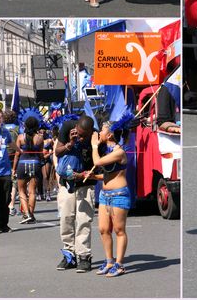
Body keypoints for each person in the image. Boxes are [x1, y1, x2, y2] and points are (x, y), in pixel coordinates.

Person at [54, 115, 97, 272]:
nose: (80, 137)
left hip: (86, 183)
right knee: (66, 218)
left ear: (90, 132)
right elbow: (57, 152)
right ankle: (69, 255)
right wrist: (70, 144)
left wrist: (85, 174)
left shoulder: (95, 137)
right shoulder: (67, 127)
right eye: (78, 134)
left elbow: (98, 163)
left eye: (83, 135)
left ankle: (84, 256)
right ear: (76, 127)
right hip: (67, 182)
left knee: (83, 220)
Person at [91, 121, 130, 277]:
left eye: (102, 130)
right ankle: (109, 261)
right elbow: (107, 175)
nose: (99, 133)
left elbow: (98, 162)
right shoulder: (106, 150)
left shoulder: (118, 152)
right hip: (105, 195)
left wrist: (94, 146)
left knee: (119, 230)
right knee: (103, 229)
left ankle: (120, 264)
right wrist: (94, 176)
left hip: (119, 194)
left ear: (109, 135)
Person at [13, 114, 44, 224]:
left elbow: (17, 154)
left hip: (22, 164)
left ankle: (26, 213)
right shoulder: (40, 138)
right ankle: (31, 214)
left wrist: (14, 169)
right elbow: (41, 155)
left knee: (21, 190)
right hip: (35, 164)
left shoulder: (21, 137)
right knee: (32, 192)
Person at [0, 108, 13, 234]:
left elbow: (11, 144)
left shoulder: (5, 132)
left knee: (6, 200)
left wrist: (20, 150)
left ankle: (4, 225)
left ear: (2, 119)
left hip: (5, 171)